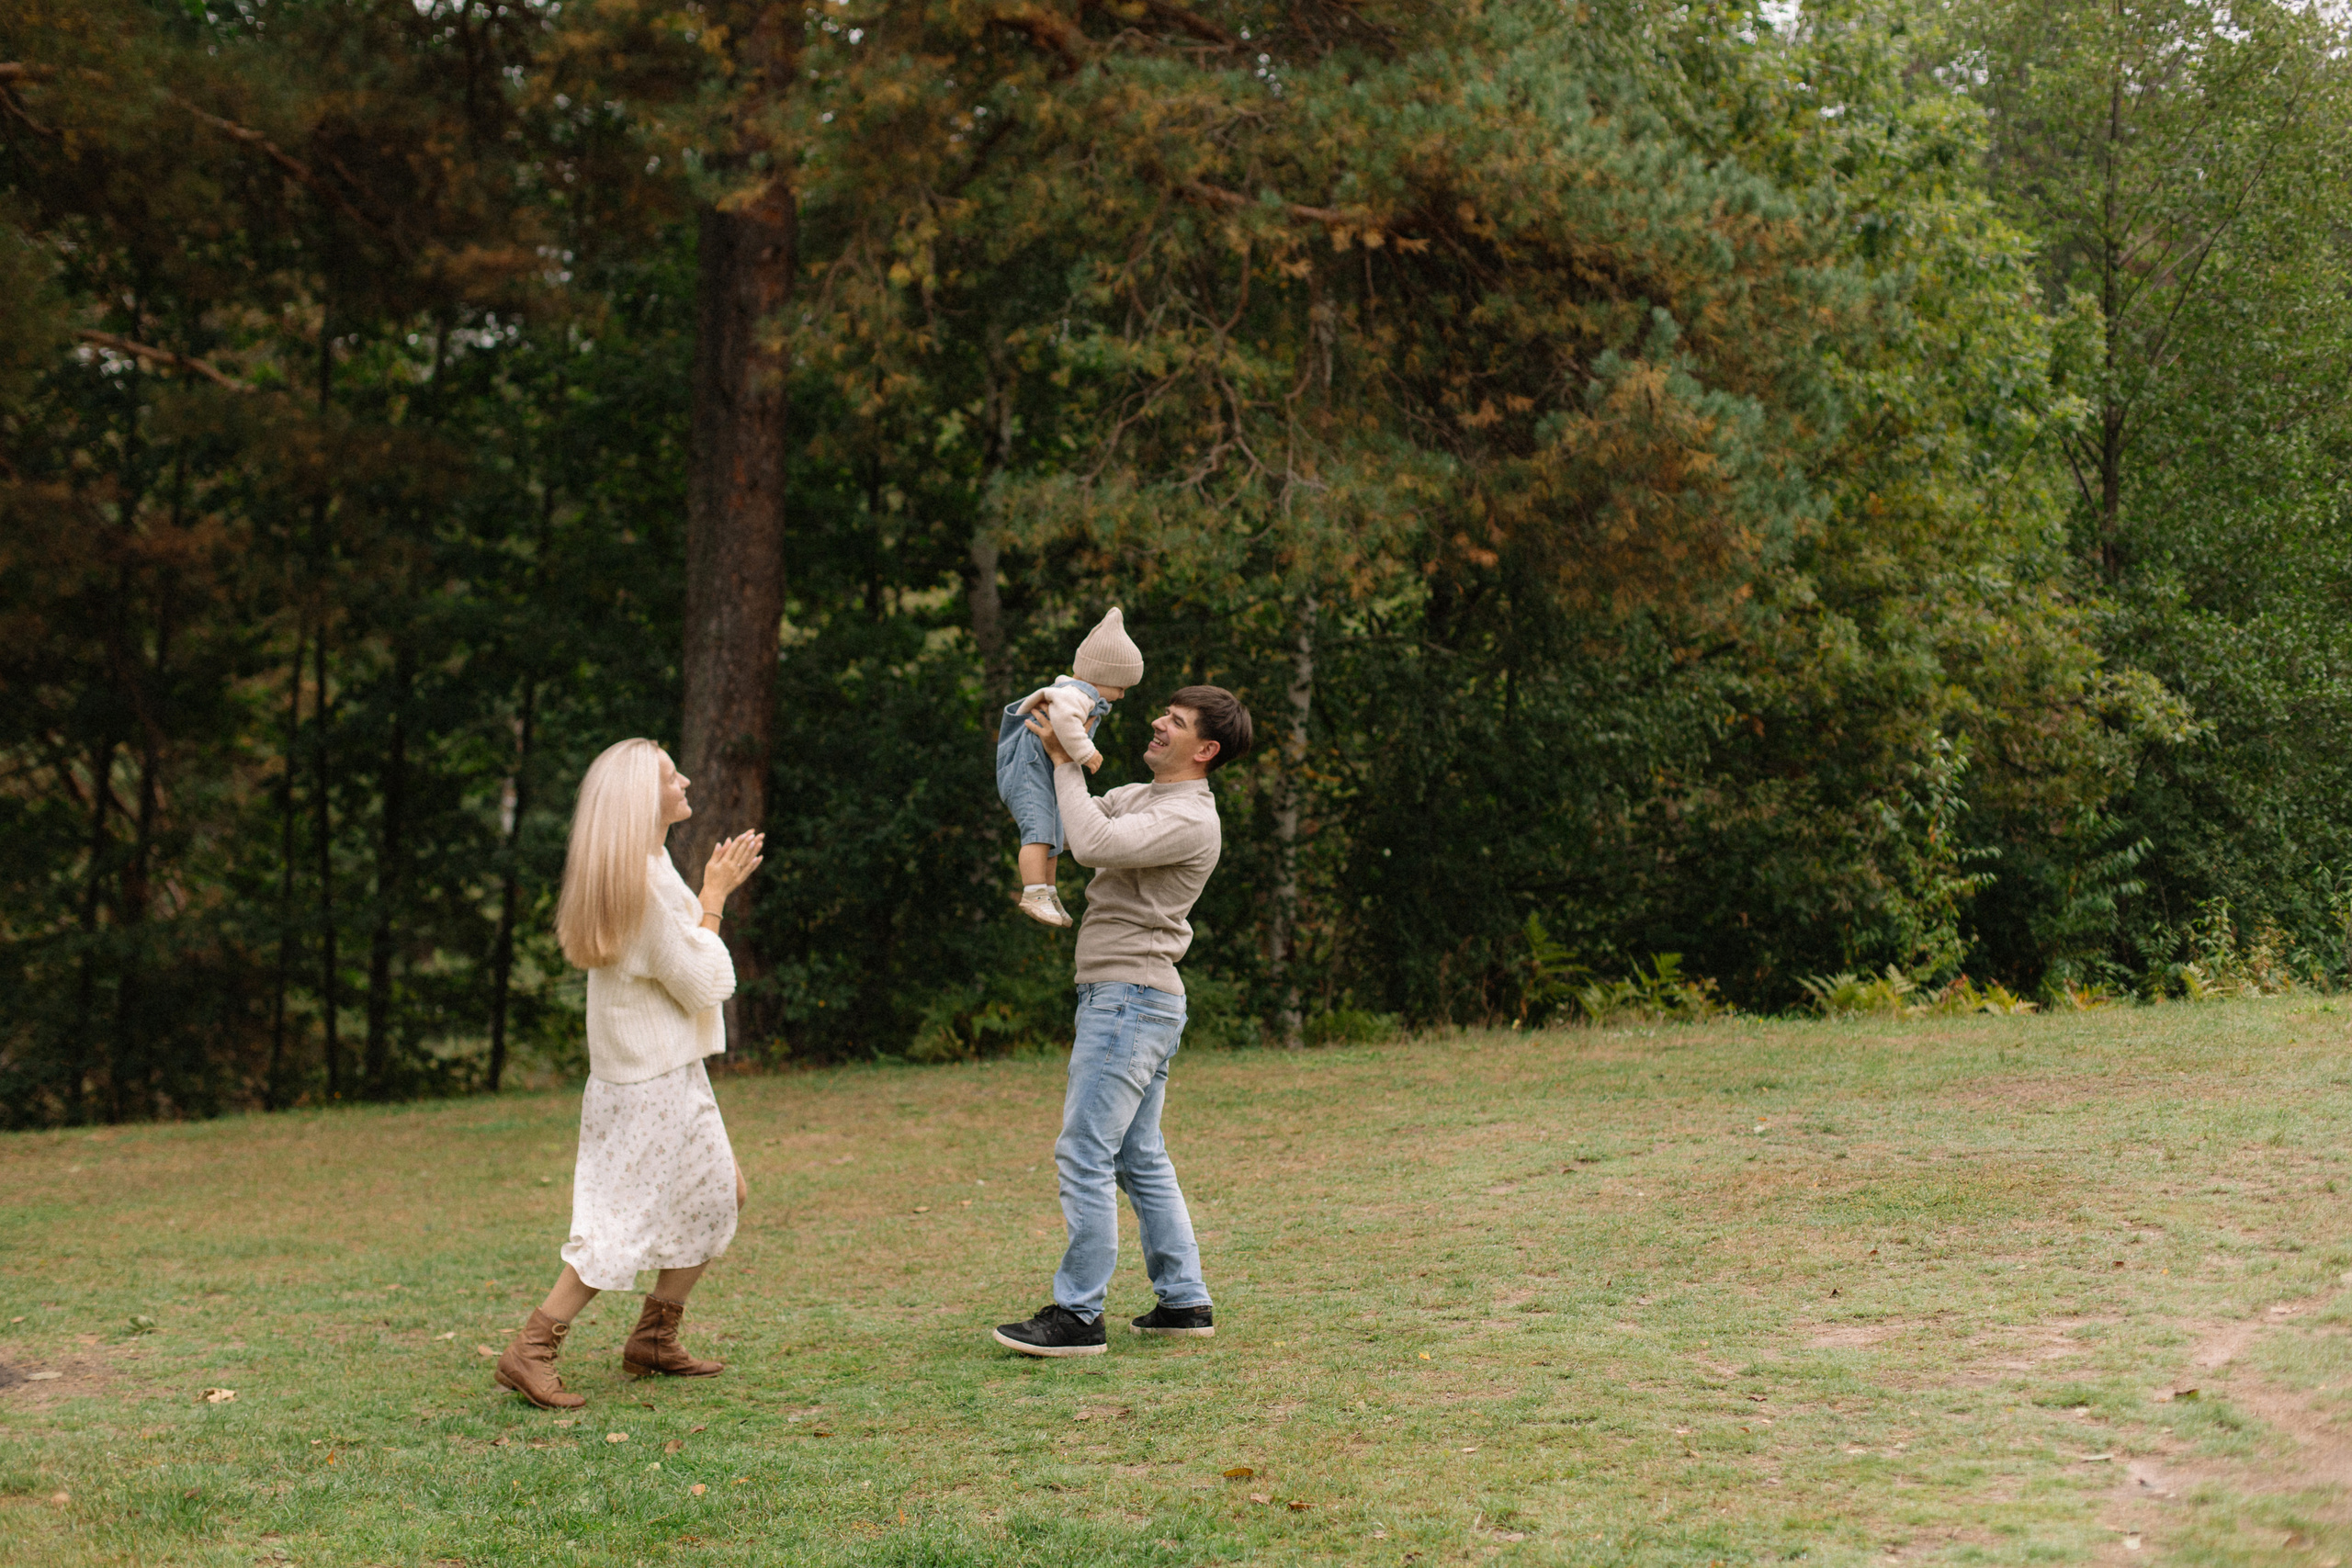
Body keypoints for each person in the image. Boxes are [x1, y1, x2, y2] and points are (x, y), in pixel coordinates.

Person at [492, 739, 764, 1410]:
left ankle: (653, 1338)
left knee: (720, 1190)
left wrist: (702, 896)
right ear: (644, 798)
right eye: (672, 776)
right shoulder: (639, 886)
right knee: (619, 1223)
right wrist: (715, 896)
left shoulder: (646, 863)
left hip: (665, 1070)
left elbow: (683, 965)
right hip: (647, 1082)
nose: (686, 780)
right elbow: (703, 982)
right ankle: (531, 1348)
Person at [991, 685, 1254, 1357]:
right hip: (1131, 999)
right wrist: (1056, 728)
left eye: (1177, 721)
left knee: (1085, 1150)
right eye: (1166, 713)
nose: (1159, 723)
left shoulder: (1190, 818)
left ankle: (1078, 1315)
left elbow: (1091, 841)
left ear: (1206, 749)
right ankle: (1184, 1300)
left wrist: (1068, 761)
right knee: (1139, 1156)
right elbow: (1071, 814)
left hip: (1130, 998)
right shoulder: (1142, 795)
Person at [996, 607, 1146, 928]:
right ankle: (1033, 892)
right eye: (1121, 687)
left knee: (1053, 835)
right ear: (1102, 676)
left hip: (1042, 771)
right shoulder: (1075, 695)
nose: (1121, 696)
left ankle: (1048, 892)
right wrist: (1085, 752)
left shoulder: (1081, 695)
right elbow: (1064, 721)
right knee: (1038, 832)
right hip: (1029, 770)